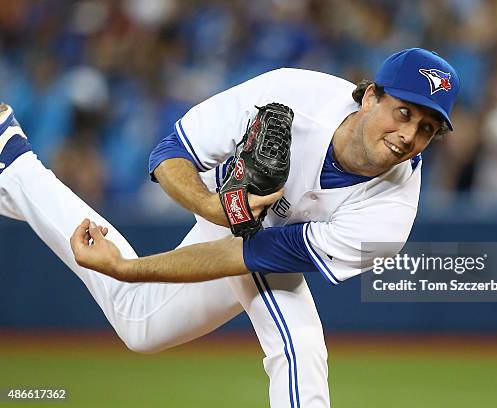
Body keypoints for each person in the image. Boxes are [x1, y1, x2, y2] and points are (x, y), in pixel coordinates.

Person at [0, 48, 459, 407]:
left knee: (140, 326)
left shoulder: (390, 214)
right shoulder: (295, 94)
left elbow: (248, 255)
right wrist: (217, 208)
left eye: (427, 128)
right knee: (300, 347)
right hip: (226, 199)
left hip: (270, 242)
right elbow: (168, 154)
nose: (410, 136)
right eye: (404, 112)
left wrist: (127, 269)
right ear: (370, 96)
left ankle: (14, 168)